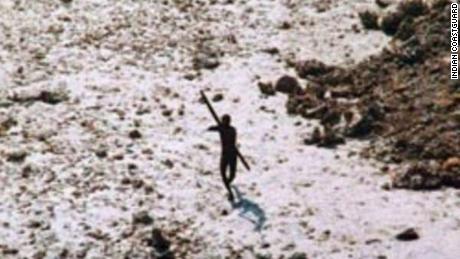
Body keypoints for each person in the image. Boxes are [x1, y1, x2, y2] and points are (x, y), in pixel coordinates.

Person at [208, 114, 237, 202]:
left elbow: (213, 128)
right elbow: (213, 128)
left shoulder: (226, 129)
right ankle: (229, 189)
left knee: (226, 174)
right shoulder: (231, 129)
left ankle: (228, 188)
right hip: (232, 154)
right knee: (228, 174)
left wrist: (219, 127)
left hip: (227, 154)